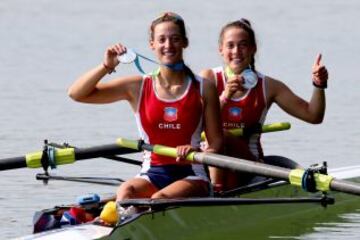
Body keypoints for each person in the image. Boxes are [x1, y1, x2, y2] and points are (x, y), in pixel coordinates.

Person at [68, 12, 223, 201]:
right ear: (152, 45)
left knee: (160, 198)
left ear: (184, 43)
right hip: (152, 174)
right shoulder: (137, 87)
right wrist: (106, 66)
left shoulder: (204, 88)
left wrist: (197, 152)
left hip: (191, 174)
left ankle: (133, 216)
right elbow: (76, 94)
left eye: (175, 39)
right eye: (162, 40)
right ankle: (121, 220)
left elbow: (216, 143)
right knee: (125, 192)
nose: (168, 45)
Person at [200, 19, 328, 191]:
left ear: (253, 49)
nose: (236, 51)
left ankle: (215, 192)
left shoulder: (269, 87)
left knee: (221, 136)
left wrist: (318, 85)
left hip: (250, 166)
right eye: (230, 46)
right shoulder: (208, 78)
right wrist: (225, 96)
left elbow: (313, 116)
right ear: (221, 50)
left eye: (243, 45)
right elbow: (194, 121)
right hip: (208, 162)